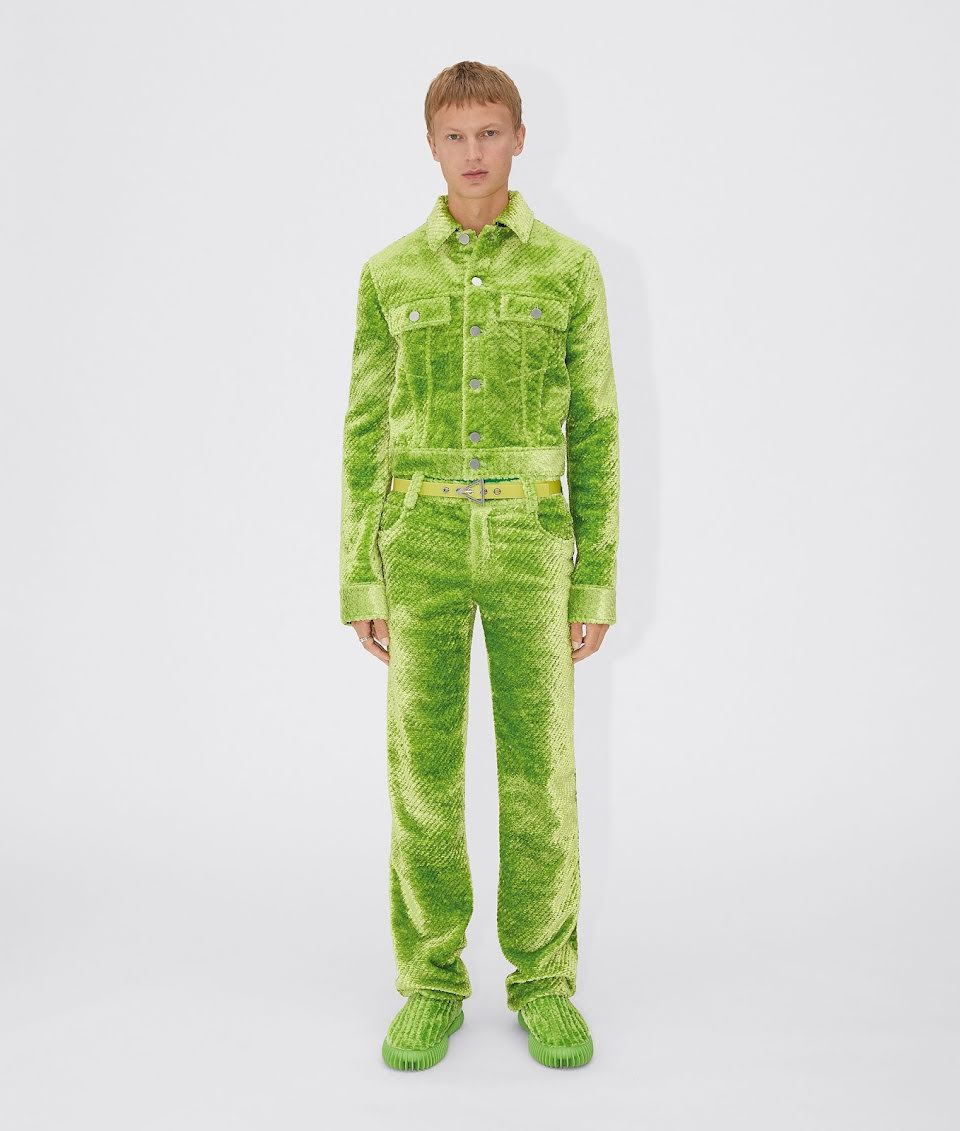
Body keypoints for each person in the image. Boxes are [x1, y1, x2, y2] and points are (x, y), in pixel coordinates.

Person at [338, 60, 620, 1071]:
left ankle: (543, 981)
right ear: (431, 144)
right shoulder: (389, 275)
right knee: (422, 771)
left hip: (532, 543)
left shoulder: (569, 271)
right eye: (455, 135)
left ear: (519, 138)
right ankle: (430, 980)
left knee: (540, 771)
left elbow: (597, 431)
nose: (473, 153)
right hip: (417, 541)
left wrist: (593, 579)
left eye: (490, 132)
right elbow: (364, 432)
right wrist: (361, 577)